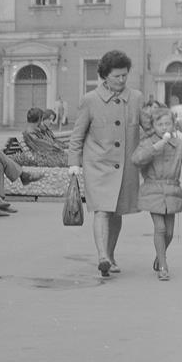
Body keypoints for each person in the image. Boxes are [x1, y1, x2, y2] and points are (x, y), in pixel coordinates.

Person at [67, 49, 145, 278]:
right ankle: (102, 257)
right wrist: (74, 164)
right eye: (116, 76)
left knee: (116, 213)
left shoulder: (137, 98)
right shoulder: (90, 100)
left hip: (126, 166)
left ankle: (110, 256)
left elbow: (150, 128)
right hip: (98, 165)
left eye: (124, 75)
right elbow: (77, 136)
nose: (121, 80)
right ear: (104, 76)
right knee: (102, 211)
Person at [130, 105, 182, 281]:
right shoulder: (148, 142)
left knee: (170, 233)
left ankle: (160, 255)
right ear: (154, 126)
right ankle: (163, 266)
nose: (164, 128)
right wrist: (156, 146)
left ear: (173, 125)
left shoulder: (180, 144)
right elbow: (137, 159)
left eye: (167, 124)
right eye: (160, 124)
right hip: (153, 190)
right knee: (160, 228)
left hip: (172, 191)